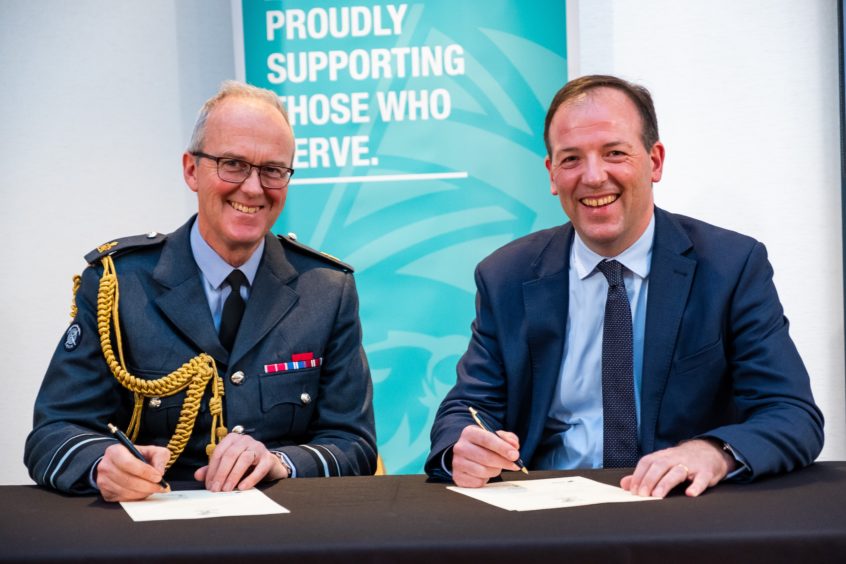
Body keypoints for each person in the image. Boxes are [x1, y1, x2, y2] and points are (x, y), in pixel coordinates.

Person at [426, 74, 823, 498]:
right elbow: (465, 410)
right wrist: (462, 446)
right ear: (552, 174)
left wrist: (712, 452)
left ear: (655, 161)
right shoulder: (506, 275)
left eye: (615, 153)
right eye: (571, 159)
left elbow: (791, 413)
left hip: (679, 511)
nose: (594, 177)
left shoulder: (731, 266)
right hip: (548, 513)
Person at [25, 81, 377, 501]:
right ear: (192, 170)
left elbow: (354, 443)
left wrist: (281, 462)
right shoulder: (119, 285)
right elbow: (53, 432)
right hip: (154, 534)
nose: (252, 187)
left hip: (285, 535)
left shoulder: (327, 290)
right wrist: (102, 463)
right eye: (232, 164)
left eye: (273, 170)